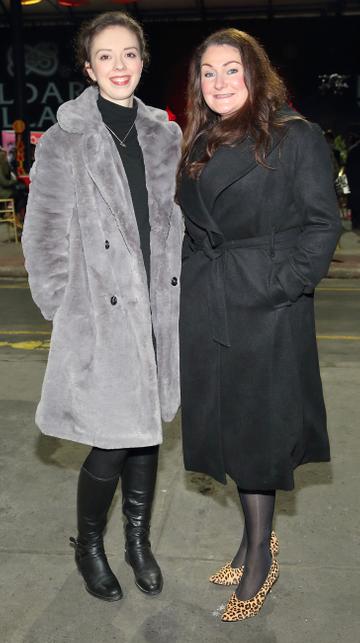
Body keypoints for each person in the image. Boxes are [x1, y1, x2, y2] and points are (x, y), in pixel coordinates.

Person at [177, 28, 341, 622]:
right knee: (231, 429)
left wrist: (280, 285)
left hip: (264, 308)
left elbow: (324, 226)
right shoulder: (201, 140)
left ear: (256, 74)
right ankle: (253, 540)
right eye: (208, 72)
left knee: (257, 435)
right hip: (210, 304)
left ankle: (258, 562)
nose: (219, 83)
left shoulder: (293, 136)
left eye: (232, 70)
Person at [22, 11, 183, 602]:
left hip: (156, 310)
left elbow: (175, 223)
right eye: (106, 56)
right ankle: (90, 544)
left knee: (146, 435)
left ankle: (137, 544)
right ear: (89, 68)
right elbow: (42, 234)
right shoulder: (66, 139)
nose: (120, 66)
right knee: (110, 442)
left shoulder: (166, 134)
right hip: (100, 311)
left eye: (130, 54)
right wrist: (65, 307)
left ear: (143, 61)